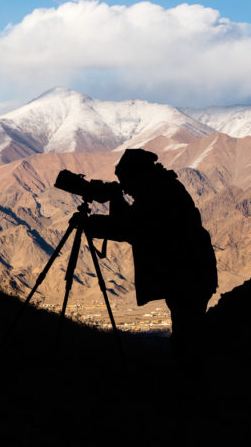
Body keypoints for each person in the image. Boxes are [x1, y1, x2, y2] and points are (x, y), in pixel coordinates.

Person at [79, 148, 218, 367]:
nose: (128, 189)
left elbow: (131, 228)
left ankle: (194, 385)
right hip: (190, 275)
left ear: (138, 175)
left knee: (187, 338)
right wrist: (116, 199)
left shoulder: (160, 194)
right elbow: (131, 223)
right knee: (187, 332)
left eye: (127, 182)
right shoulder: (160, 188)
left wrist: (91, 223)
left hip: (189, 277)